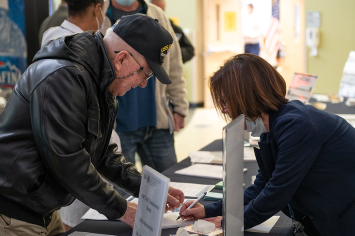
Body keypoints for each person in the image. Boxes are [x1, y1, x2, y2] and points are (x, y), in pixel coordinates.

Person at [0, 14, 184, 235]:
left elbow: (101, 152)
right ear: (122, 59)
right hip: (14, 215)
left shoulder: (97, 78)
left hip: (42, 210)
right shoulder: (64, 77)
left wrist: (146, 187)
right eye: (145, 73)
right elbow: (68, 160)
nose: (144, 84)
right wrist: (122, 209)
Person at [179, 53, 355, 235]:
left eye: (225, 102)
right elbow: (262, 186)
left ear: (244, 96)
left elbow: (277, 192)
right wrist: (210, 210)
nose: (224, 110)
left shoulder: (296, 126)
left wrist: (231, 222)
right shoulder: (271, 127)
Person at [41, 0, 122, 230]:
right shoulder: (75, 49)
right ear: (98, 8)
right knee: (75, 223)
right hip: (78, 159)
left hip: (82, 157)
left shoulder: (54, 35)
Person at [106, 0, 188, 173]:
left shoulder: (157, 14)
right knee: (122, 188)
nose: (143, 82)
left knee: (169, 183)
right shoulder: (101, 15)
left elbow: (174, 65)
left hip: (155, 121)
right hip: (118, 124)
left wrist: (180, 106)